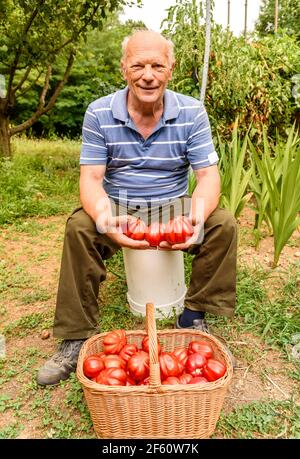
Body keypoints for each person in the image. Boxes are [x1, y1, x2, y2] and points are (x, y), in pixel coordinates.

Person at [37, 30, 237, 386]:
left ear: (170, 69)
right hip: (119, 206)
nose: (148, 74)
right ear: (123, 69)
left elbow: (207, 176)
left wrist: (196, 216)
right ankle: (75, 336)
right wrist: (104, 217)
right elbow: (92, 179)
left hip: (172, 204)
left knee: (222, 223)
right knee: (79, 227)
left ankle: (194, 314)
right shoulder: (99, 112)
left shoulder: (192, 111)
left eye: (157, 65)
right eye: (138, 65)